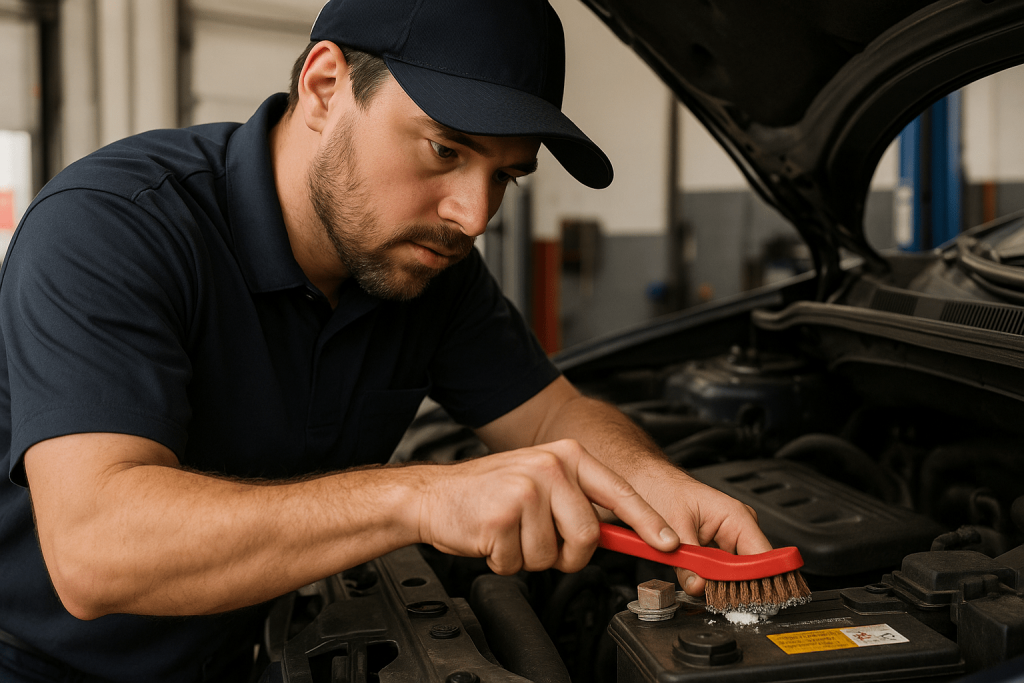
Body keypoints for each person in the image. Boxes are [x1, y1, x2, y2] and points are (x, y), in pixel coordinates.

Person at [0, 0, 771, 681]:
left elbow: (549, 417)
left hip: (231, 652)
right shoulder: (111, 227)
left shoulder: (428, 269)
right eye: (445, 149)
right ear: (325, 87)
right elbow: (96, 551)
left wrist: (654, 490)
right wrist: (421, 495)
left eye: (507, 176)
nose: (473, 215)